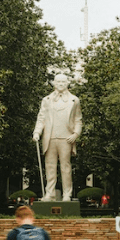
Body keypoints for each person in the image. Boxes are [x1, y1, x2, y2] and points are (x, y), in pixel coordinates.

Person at [32, 74, 83, 202]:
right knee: (50, 167)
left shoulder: (74, 100)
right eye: (58, 81)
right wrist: (37, 132)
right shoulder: (46, 100)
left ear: (67, 83)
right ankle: (50, 193)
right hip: (50, 138)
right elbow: (41, 118)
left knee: (65, 167)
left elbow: (78, 120)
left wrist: (76, 134)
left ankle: (67, 194)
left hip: (66, 138)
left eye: (63, 81)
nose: (60, 84)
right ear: (54, 83)